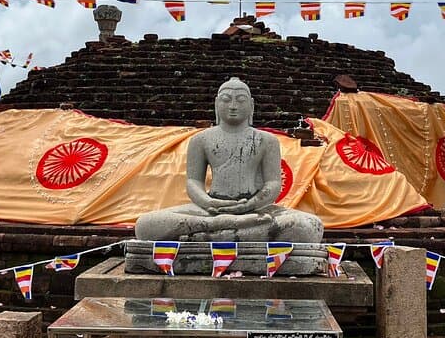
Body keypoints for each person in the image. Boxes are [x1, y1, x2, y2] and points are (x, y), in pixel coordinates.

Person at [134, 78, 324, 244]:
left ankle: (209, 235)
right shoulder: (201, 140)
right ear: (217, 104)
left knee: (309, 226)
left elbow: (273, 183)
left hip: (256, 211)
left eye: (240, 100)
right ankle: (229, 228)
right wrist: (209, 202)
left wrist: (251, 204)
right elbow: (194, 181)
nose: (233, 105)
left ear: (251, 105)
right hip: (210, 211)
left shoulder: (267, 141)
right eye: (226, 100)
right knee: (145, 225)